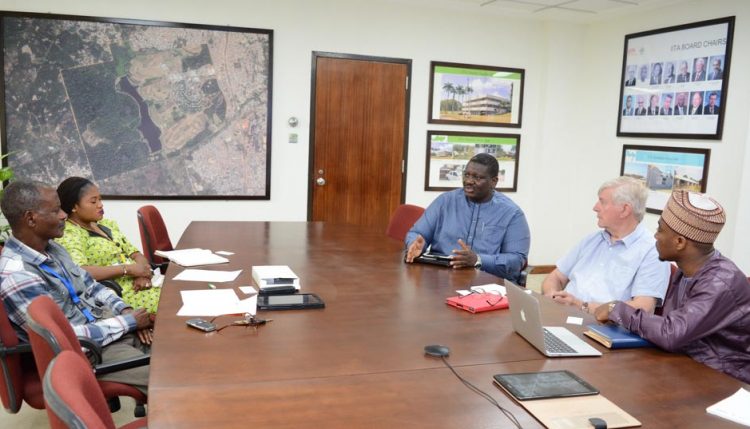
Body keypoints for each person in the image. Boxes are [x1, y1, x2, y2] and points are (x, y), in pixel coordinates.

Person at [0, 181, 151, 393]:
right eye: (56, 210)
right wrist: (127, 322)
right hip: (86, 353)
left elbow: (92, 287)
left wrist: (125, 310)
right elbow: (60, 338)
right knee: (169, 380)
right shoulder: (18, 275)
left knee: (182, 353)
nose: (64, 215)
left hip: (108, 329)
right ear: (31, 218)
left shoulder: (53, 249)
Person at [595, 191, 750, 384]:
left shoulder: (721, 281)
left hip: (724, 383)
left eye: (660, 230)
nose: (655, 236)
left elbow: (672, 333)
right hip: (687, 369)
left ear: (679, 242)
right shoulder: (687, 269)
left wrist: (616, 309)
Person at [542, 177, 670, 315]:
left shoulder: (653, 251)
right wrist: (552, 296)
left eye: (602, 202)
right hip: (564, 314)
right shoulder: (592, 240)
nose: (595, 208)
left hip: (603, 328)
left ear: (625, 210)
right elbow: (555, 277)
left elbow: (643, 307)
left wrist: (582, 306)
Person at [405, 153, 530, 283]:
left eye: (477, 177)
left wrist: (478, 260)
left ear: (494, 182)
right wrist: (414, 244)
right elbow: (417, 233)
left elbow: (516, 260)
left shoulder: (512, 214)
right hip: (441, 280)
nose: (469, 181)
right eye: (467, 175)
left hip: (485, 285)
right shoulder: (445, 201)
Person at [56, 177, 160, 313]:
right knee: (178, 301)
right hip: (122, 296)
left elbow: (135, 254)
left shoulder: (107, 225)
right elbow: (80, 272)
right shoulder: (70, 234)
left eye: (100, 199)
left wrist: (142, 274)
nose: (100, 205)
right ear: (74, 206)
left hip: (144, 283)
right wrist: (128, 270)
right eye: (93, 201)